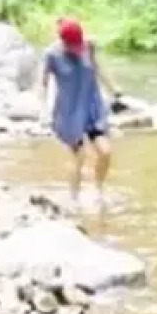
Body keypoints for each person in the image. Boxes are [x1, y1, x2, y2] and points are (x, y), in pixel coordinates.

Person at [41, 18, 121, 208]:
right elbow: (42, 83)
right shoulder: (51, 55)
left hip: (92, 108)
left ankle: (98, 192)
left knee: (105, 152)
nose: (78, 49)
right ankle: (74, 200)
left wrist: (114, 89)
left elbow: (98, 68)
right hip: (68, 113)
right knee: (80, 156)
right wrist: (42, 108)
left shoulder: (88, 46)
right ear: (63, 43)